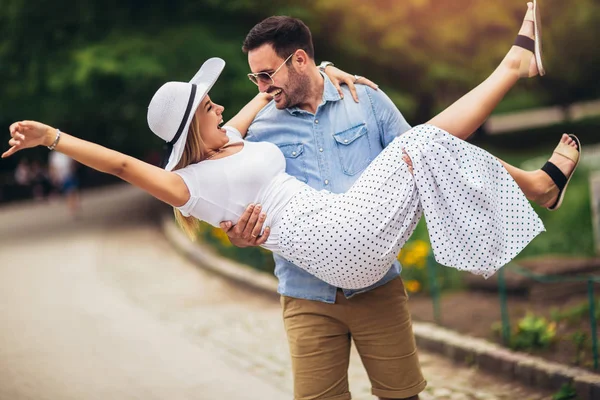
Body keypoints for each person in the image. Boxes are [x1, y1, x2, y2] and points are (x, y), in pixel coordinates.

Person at [2, 2, 580, 398]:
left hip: (362, 263)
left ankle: (531, 156)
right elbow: (124, 164)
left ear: (297, 61)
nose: (234, 102)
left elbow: (253, 106)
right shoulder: (191, 182)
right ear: (193, 131)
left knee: (424, 146)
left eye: (263, 78)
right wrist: (54, 138)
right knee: (426, 142)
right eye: (212, 105)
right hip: (324, 258)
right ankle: (525, 125)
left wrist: (325, 67)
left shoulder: (242, 136)